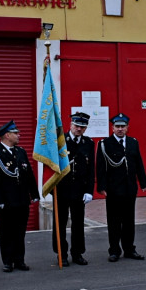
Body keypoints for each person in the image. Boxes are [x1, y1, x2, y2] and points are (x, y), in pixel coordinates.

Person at [0, 120, 39, 272]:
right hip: (6, 201)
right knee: (6, 231)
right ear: (7, 135)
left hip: (22, 199)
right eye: (16, 133)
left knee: (20, 231)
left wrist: (34, 194)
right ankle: (7, 261)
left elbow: (29, 175)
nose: (19, 135)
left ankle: (19, 260)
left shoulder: (20, 151)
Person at [96, 113, 146, 261]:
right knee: (114, 221)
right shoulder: (104, 144)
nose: (120, 129)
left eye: (123, 127)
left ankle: (129, 249)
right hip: (113, 190)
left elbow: (139, 163)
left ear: (127, 128)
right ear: (112, 128)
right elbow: (100, 167)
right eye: (117, 126)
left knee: (129, 221)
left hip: (129, 188)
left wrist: (143, 182)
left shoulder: (133, 142)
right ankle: (114, 250)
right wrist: (101, 186)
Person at [52, 112, 94, 266]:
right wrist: (51, 187)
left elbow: (91, 170)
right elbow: (51, 166)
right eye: (77, 126)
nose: (79, 129)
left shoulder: (88, 143)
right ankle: (61, 254)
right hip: (62, 189)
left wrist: (89, 190)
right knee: (60, 223)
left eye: (82, 127)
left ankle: (77, 253)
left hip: (79, 190)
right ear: (70, 125)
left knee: (78, 223)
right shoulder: (60, 141)